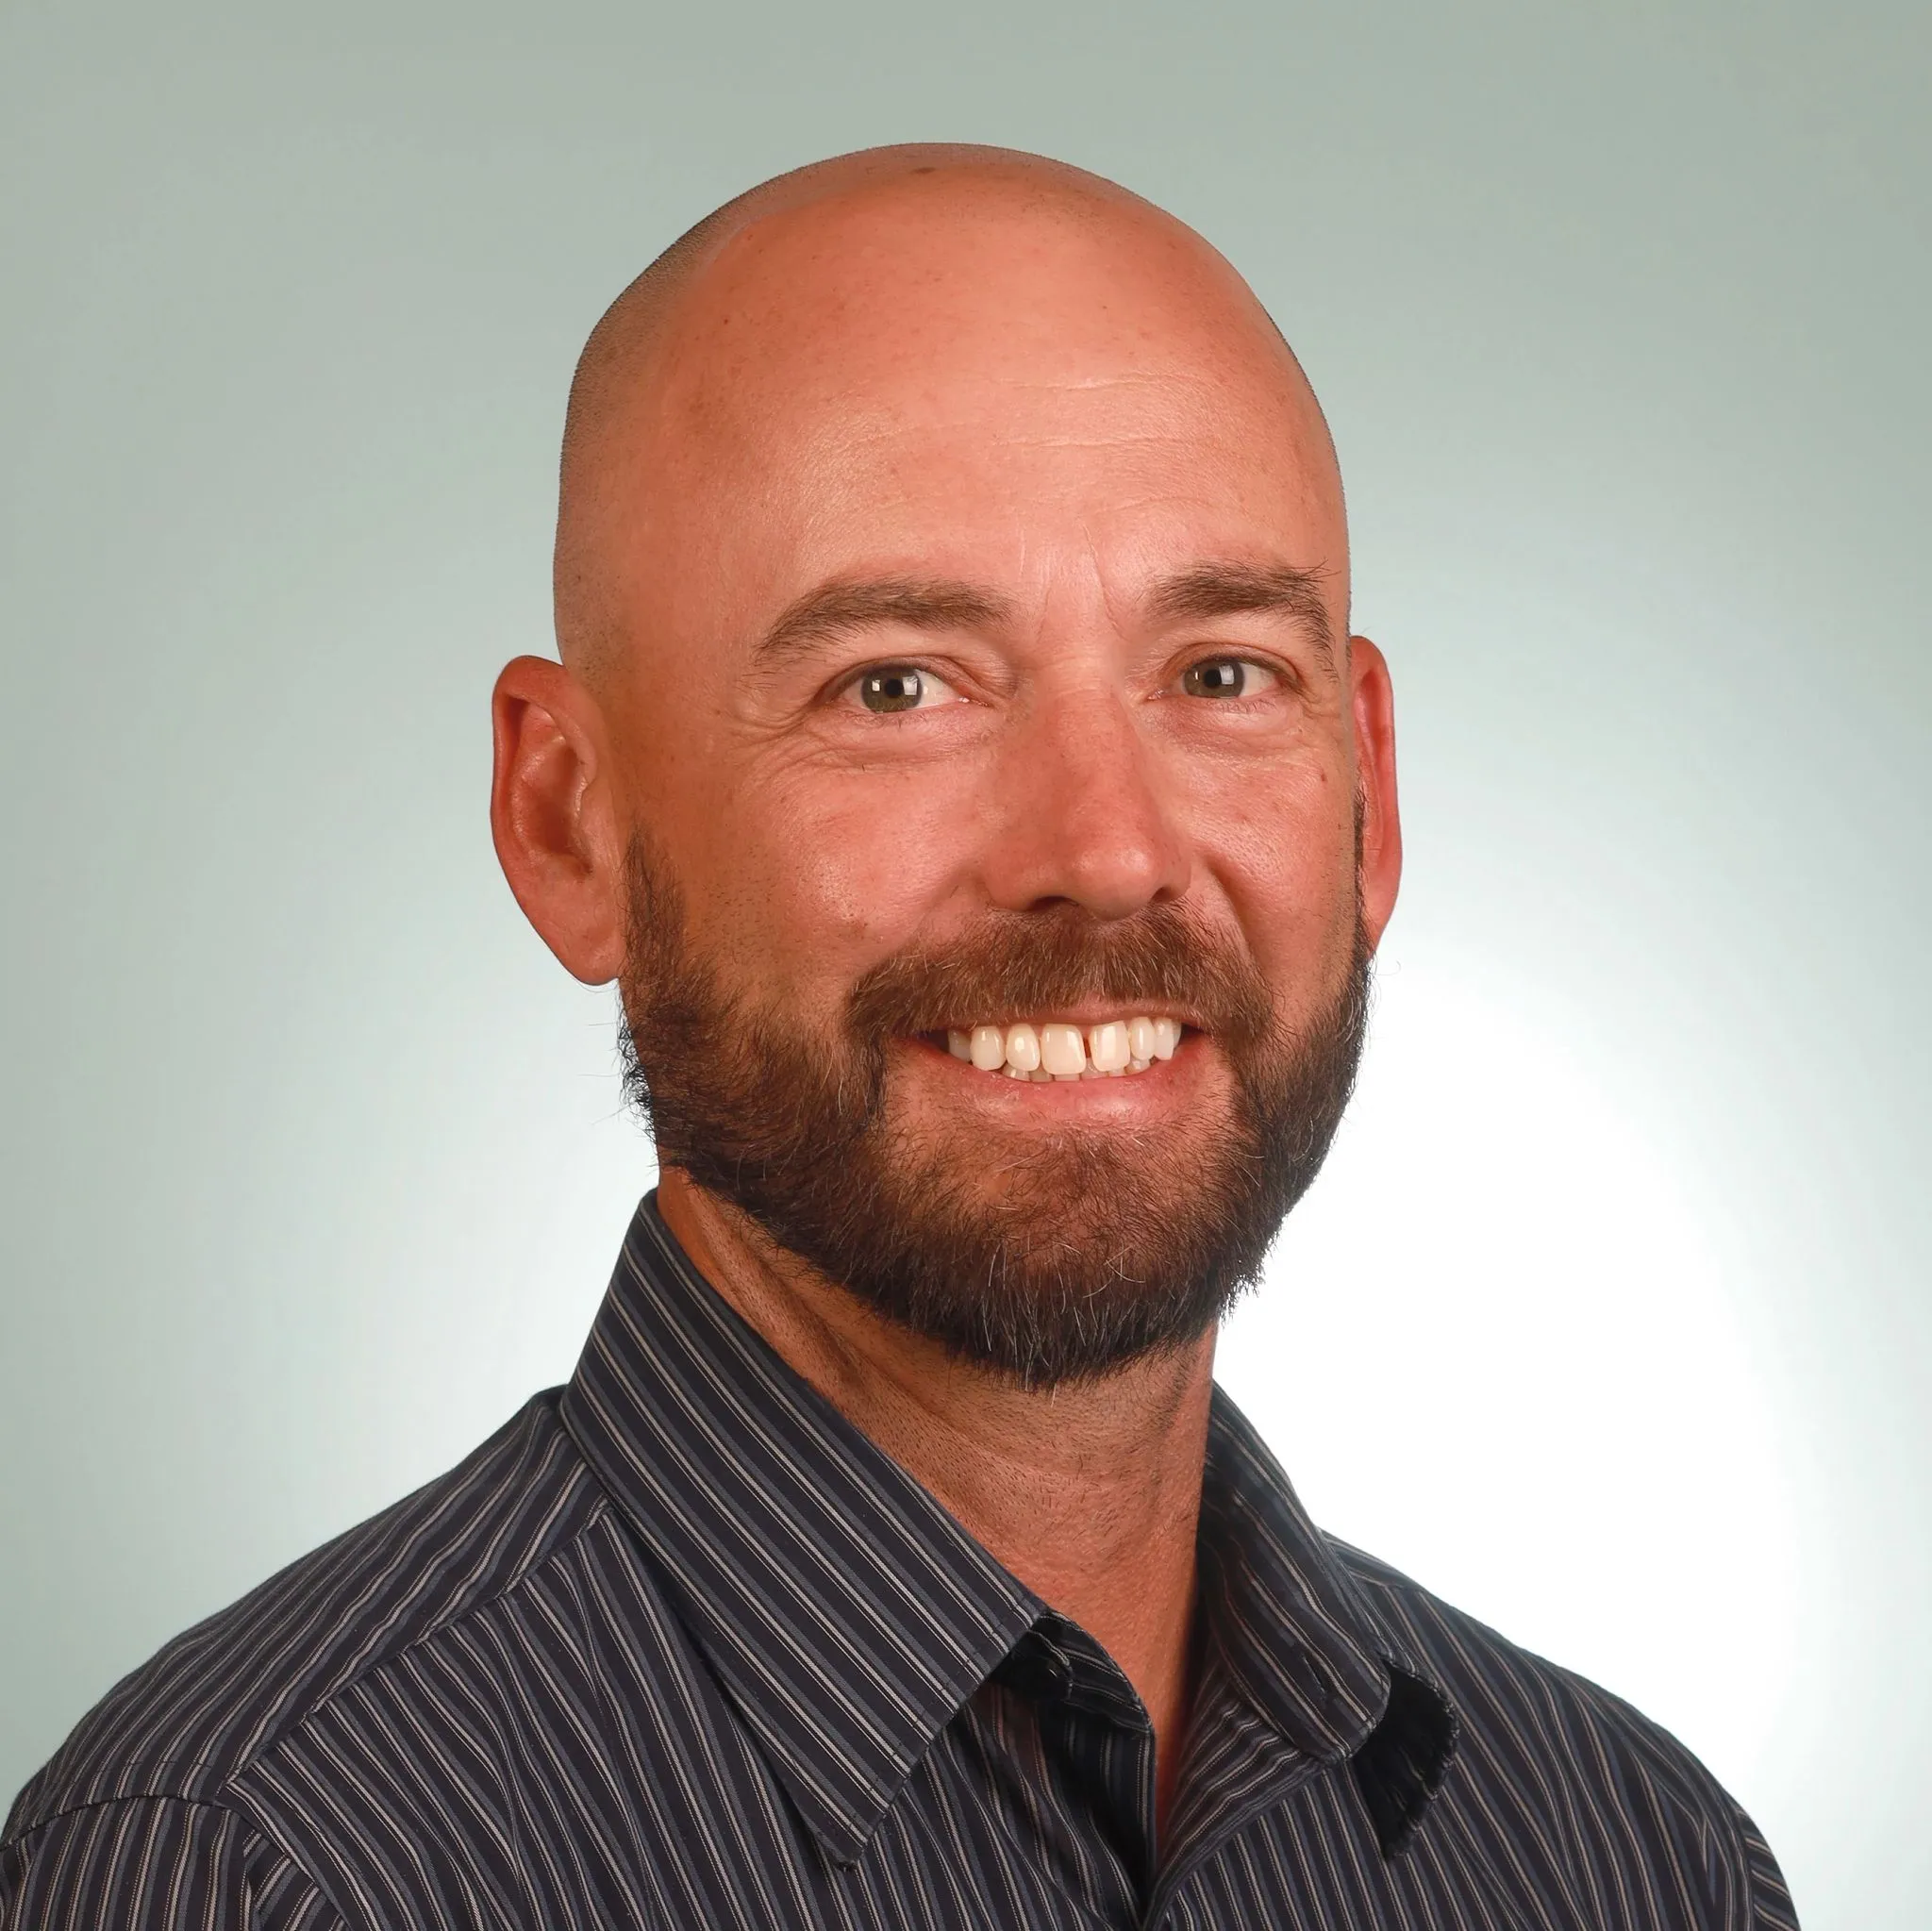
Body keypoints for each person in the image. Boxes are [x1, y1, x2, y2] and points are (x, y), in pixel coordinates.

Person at [0, 144, 1796, 1930]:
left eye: (1221, 674)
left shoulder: (1636, 1862)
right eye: (896, 686)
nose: (1106, 849)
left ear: (1369, 791)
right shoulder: (254, 1868)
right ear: (570, 826)